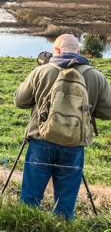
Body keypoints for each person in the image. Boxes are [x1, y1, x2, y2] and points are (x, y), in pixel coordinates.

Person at [14, 34, 111, 221]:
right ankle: (62, 225)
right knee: (65, 202)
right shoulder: (95, 76)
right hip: (74, 145)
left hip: (41, 140)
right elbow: (108, 112)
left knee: (30, 197)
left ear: (56, 50)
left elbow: (20, 100)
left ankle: (24, 224)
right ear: (78, 51)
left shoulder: (42, 71)